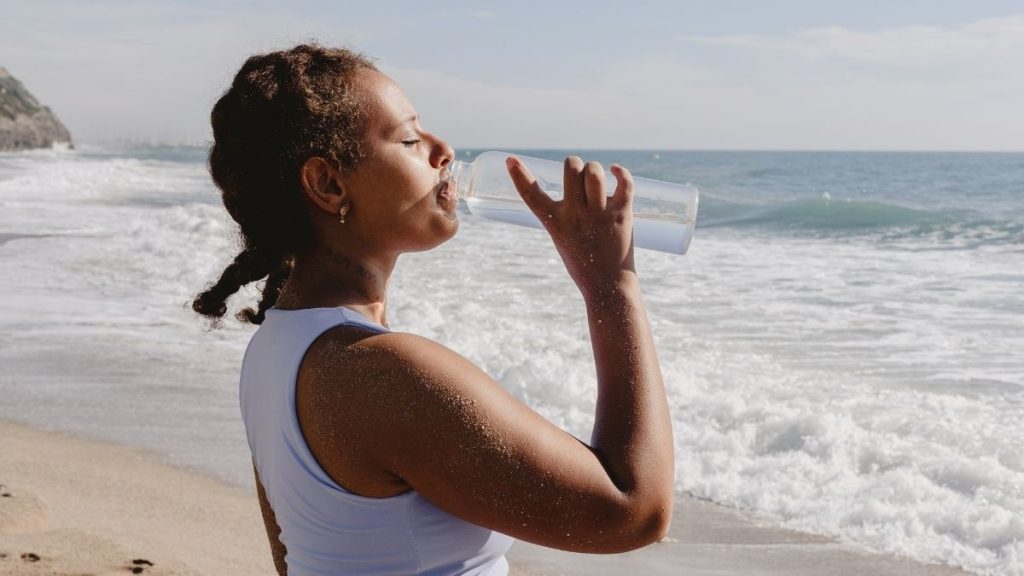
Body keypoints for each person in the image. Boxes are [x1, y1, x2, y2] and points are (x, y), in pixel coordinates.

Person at [193, 44, 675, 576]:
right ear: (328, 184)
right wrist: (610, 283)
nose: (443, 150)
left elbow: (294, 561)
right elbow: (634, 511)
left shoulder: (273, 350)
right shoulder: (381, 371)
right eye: (409, 139)